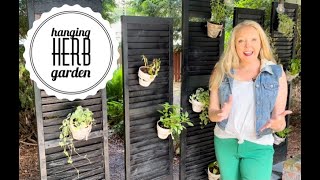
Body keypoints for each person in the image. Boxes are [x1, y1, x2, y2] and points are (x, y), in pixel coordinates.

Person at [208, 20, 292, 180]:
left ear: (261, 42)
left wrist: (277, 123)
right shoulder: (221, 70)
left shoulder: (275, 72)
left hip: (259, 145)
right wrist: (219, 114)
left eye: (253, 39)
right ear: (234, 44)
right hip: (225, 141)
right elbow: (212, 113)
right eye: (241, 41)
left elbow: (280, 121)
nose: (247, 46)